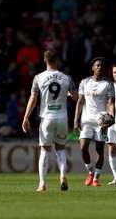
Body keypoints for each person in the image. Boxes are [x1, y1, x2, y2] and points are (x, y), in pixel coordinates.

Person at [22, 49, 78, 192]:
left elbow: (33, 98)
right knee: (60, 149)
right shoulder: (67, 78)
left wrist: (26, 117)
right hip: (62, 118)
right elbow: (76, 97)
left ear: (45, 60)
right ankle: (63, 177)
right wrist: (68, 94)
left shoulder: (38, 77)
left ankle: (42, 184)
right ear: (58, 60)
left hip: (46, 118)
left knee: (44, 151)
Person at [74, 57, 115, 187]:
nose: (99, 68)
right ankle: (90, 171)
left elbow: (111, 103)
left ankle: (96, 178)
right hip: (86, 121)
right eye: (97, 65)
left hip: (101, 122)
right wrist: (75, 120)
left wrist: (111, 117)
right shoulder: (85, 82)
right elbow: (80, 102)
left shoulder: (108, 84)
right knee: (83, 147)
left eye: (102, 66)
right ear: (93, 68)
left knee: (99, 150)